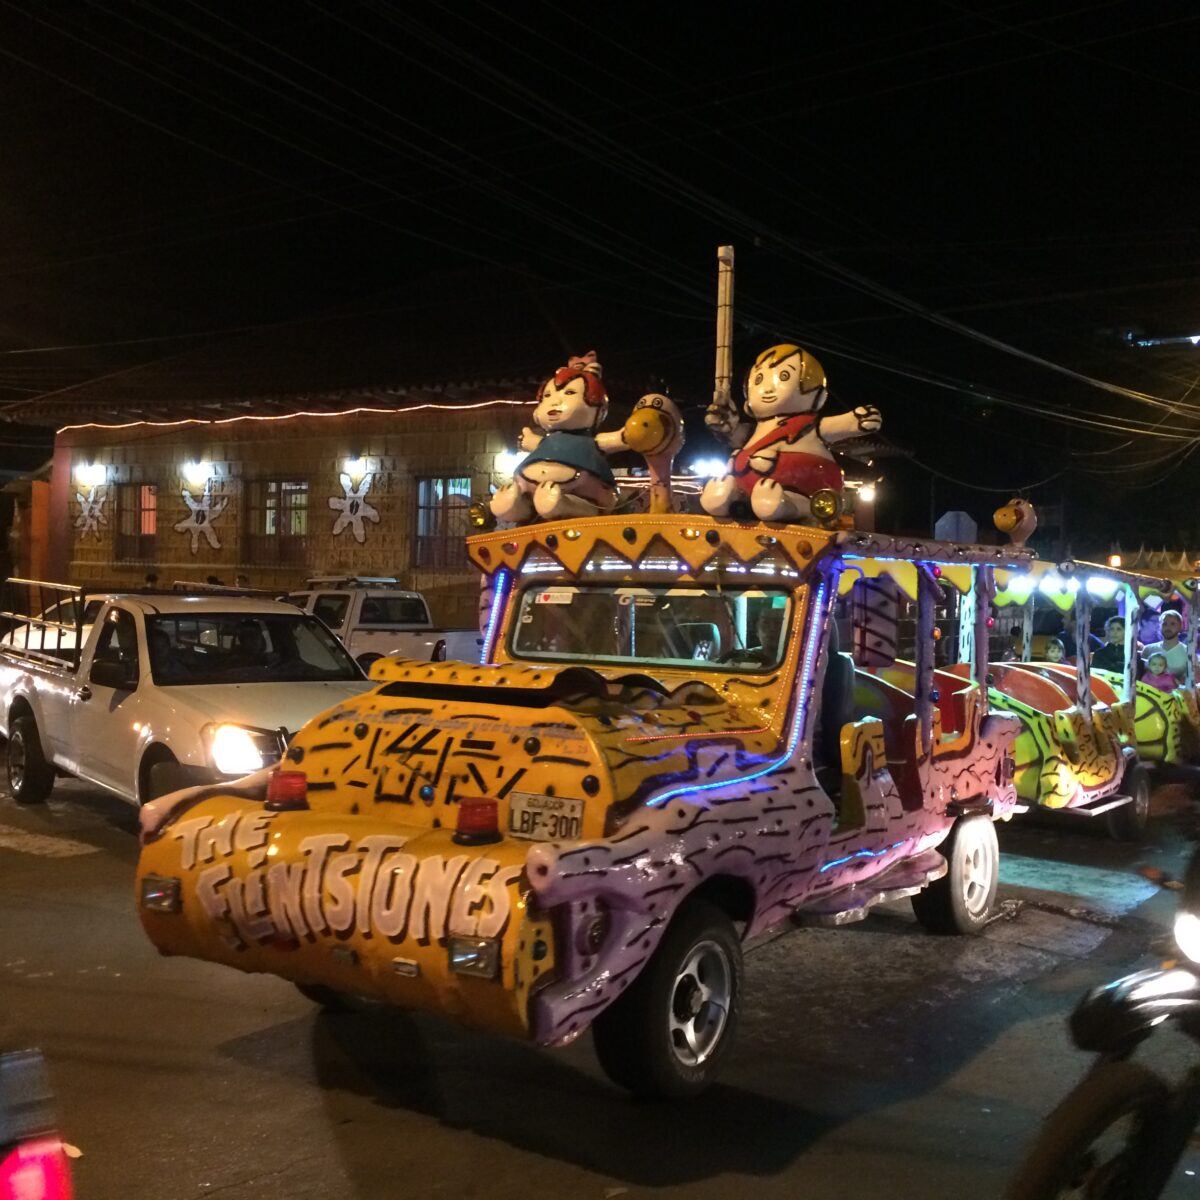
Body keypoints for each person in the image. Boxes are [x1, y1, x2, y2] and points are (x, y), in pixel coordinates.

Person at [1143, 610, 1189, 681]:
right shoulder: (1148, 650)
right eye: (1164, 624)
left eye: (1173, 624)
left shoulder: (1188, 652)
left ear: (1180, 626)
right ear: (1160, 626)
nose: (1168, 627)